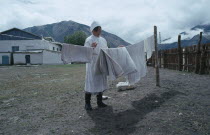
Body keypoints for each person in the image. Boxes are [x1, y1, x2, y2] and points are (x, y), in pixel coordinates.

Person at [84, 21, 109, 111]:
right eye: (98, 30)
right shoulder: (89, 40)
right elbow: (85, 53)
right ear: (93, 31)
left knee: (101, 82)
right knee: (91, 82)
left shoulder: (103, 40)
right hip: (92, 64)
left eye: (100, 30)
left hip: (101, 63)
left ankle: (99, 102)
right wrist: (91, 48)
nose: (100, 32)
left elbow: (107, 50)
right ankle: (87, 103)